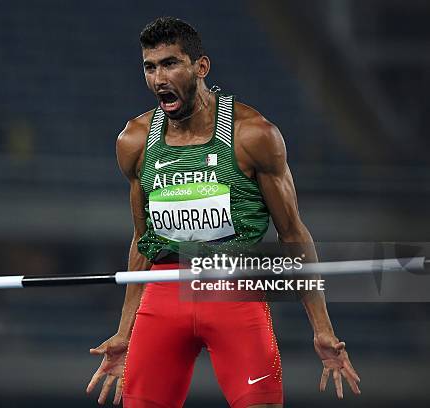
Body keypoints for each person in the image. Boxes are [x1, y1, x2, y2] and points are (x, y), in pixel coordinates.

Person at [86, 17, 361, 408]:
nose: (158, 78)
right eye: (150, 67)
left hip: (233, 290)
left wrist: (321, 327)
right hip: (164, 295)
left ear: (201, 67)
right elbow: (142, 238)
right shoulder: (134, 141)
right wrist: (124, 329)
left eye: (170, 64)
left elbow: (293, 235)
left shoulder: (254, 135)